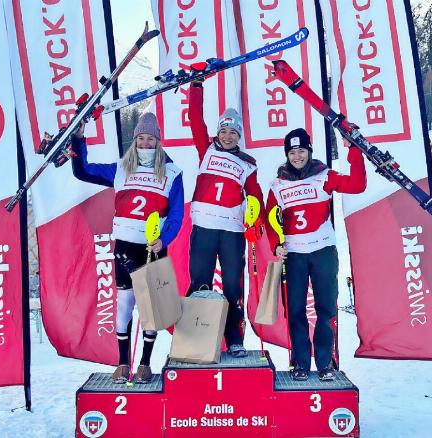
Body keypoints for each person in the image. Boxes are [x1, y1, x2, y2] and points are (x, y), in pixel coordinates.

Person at [70, 113, 184, 383]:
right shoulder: (121, 168)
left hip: (152, 248)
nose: (145, 144)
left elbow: (177, 214)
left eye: (150, 139)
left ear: (158, 141)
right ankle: (123, 362)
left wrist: (164, 240)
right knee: (124, 304)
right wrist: (78, 138)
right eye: (141, 139)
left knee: (151, 309)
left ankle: (144, 363)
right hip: (124, 246)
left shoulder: (172, 172)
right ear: (135, 141)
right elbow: (82, 170)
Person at [265, 128, 366, 381]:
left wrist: (354, 149)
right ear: (286, 155)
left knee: (326, 308)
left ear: (309, 151)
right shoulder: (277, 184)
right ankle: (299, 362)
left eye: (301, 151)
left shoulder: (324, 175)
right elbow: (269, 218)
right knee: (296, 311)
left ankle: (324, 363)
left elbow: (357, 185)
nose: (297, 156)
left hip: (323, 251)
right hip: (295, 255)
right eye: (292, 152)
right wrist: (275, 243)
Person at [187, 79, 265, 358]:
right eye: (224, 130)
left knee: (233, 284)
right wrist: (196, 86)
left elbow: (255, 196)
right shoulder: (206, 149)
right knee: (200, 282)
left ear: (239, 135)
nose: (228, 136)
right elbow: (195, 119)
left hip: (231, 231)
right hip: (204, 228)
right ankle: (198, 338)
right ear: (218, 132)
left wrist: (256, 223)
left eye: (233, 132)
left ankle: (235, 338)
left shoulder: (247, 163)